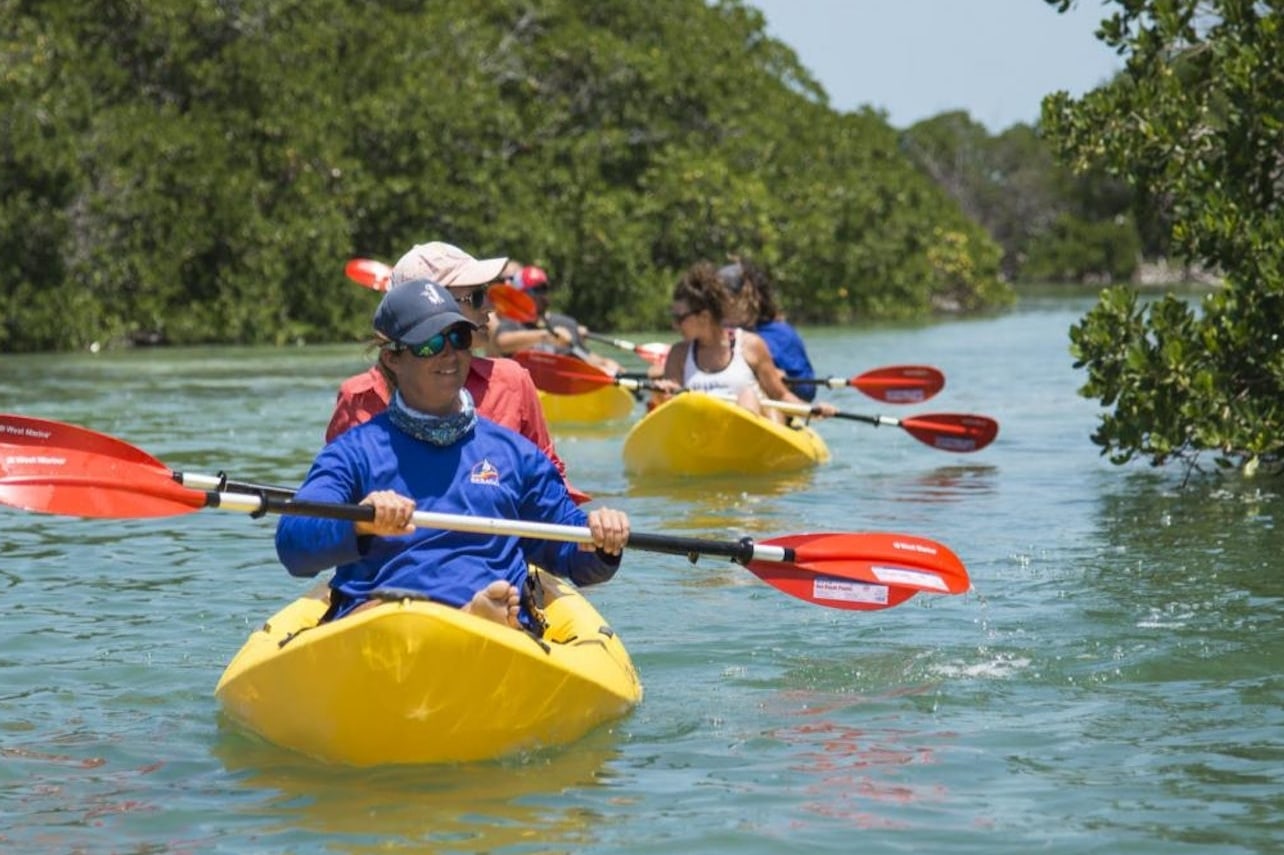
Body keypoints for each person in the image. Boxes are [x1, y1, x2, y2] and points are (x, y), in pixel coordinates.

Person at [278, 279, 630, 630]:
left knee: (490, 612)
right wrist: (358, 522)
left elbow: (571, 555)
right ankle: (460, 618)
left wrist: (601, 541)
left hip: (494, 627)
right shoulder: (353, 453)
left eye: (459, 338)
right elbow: (294, 544)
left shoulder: (515, 455)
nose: (449, 354)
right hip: (381, 625)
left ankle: (474, 620)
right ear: (392, 358)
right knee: (380, 614)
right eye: (430, 344)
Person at [326, 241, 590, 504]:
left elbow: (551, 484)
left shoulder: (512, 381)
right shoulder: (358, 396)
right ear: (431, 304)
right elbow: (334, 503)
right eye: (476, 297)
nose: (489, 307)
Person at [652, 261, 835, 424]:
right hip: (700, 433)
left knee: (748, 395)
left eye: (680, 317)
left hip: (746, 431)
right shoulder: (678, 354)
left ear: (704, 316)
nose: (674, 324)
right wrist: (664, 392)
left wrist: (811, 410)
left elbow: (780, 395)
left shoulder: (751, 346)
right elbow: (671, 402)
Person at [492, 264, 622, 376]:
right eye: (534, 290)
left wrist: (604, 363)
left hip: (562, 391)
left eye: (544, 289)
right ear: (520, 294)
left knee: (609, 366)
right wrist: (547, 335)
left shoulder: (566, 324)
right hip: (529, 390)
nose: (541, 295)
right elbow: (502, 343)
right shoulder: (511, 322)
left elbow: (583, 356)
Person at [719, 260, 819, 402]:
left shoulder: (781, 335)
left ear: (747, 298)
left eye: (721, 298)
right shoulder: (710, 335)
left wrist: (786, 383)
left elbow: (807, 391)